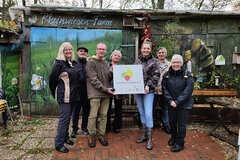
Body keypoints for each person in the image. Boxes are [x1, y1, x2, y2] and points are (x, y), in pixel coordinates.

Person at [49, 42, 80, 153]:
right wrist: (56, 94)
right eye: (66, 49)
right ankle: (59, 143)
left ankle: (66, 138)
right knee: (64, 119)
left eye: (70, 49)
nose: (68, 51)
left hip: (73, 96)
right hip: (64, 96)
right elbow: (52, 80)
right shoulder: (59, 63)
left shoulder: (73, 63)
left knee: (68, 118)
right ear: (62, 51)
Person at [162, 54, 194, 152]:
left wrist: (178, 102)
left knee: (181, 125)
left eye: (178, 62)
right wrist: (170, 101)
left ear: (181, 63)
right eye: (174, 62)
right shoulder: (166, 75)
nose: (176, 64)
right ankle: (173, 137)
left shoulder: (187, 75)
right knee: (172, 123)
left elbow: (188, 90)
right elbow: (164, 89)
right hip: (171, 104)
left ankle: (180, 143)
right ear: (171, 63)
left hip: (184, 105)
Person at [86, 42, 114, 148]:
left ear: (105, 51)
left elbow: (107, 78)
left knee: (104, 115)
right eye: (100, 49)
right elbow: (93, 80)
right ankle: (92, 135)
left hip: (105, 93)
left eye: (103, 49)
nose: (101, 51)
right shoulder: (91, 62)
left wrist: (111, 72)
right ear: (96, 50)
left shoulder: (105, 63)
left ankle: (102, 134)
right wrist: (106, 89)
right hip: (95, 93)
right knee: (93, 115)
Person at [134, 41, 160, 150]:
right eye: (144, 48)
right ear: (141, 49)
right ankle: (144, 135)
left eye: (147, 48)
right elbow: (132, 75)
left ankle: (149, 139)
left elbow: (156, 75)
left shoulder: (154, 61)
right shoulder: (137, 61)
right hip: (137, 91)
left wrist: (148, 86)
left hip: (148, 91)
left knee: (149, 114)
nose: (146, 50)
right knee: (142, 113)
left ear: (150, 49)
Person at [71, 47, 90, 138]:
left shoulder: (89, 64)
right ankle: (74, 129)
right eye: (81, 51)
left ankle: (84, 128)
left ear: (86, 54)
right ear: (77, 52)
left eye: (85, 52)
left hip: (87, 93)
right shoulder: (74, 64)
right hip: (77, 93)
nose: (83, 53)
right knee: (75, 112)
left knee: (86, 112)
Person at [153, 47, 171, 134]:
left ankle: (166, 125)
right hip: (154, 90)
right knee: (151, 108)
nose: (161, 54)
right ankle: (150, 125)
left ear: (166, 54)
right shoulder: (153, 63)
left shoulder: (170, 65)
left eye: (163, 53)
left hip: (165, 91)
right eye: (159, 53)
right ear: (157, 54)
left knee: (165, 109)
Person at [106, 50, 123, 134]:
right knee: (107, 109)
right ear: (111, 56)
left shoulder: (122, 67)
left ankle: (117, 126)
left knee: (118, 109)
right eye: (115, 55)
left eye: (118, 56)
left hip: (119, 91)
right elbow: (104, 77)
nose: (116, 57)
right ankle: (107, 126)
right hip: (108, 90)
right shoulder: (106, 66)